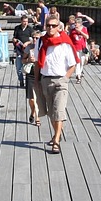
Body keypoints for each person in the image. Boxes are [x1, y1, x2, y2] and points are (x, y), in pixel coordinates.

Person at [34, 15, 76, 154]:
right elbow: (36, 63)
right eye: (48, 26)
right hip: (45, 79)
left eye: (53, 25)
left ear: (59, 27)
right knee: (51, 113)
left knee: (59, 111)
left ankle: (56, 141)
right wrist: (36, 80)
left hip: (60, 81)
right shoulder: (40, 41)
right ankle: (55, 134)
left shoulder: (65, 42)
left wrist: (65, 78)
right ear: (45, 26)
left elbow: (73, 64)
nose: (50, 28)